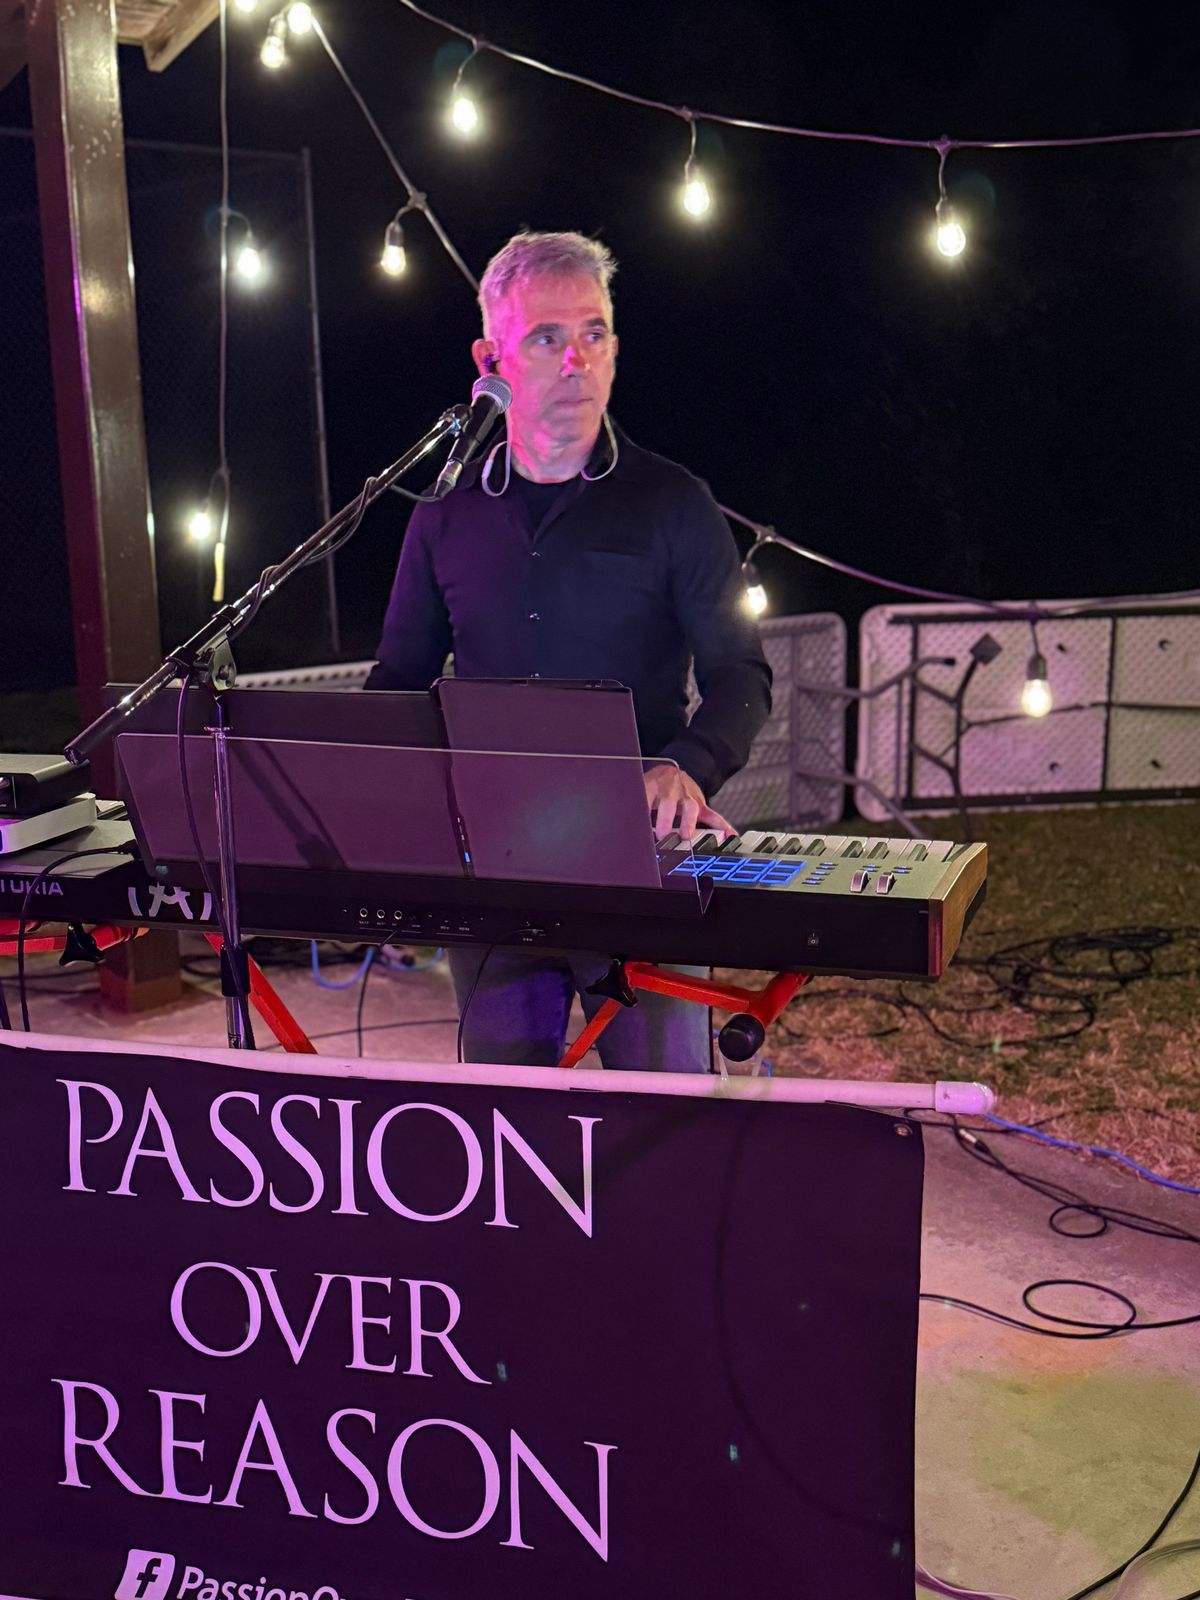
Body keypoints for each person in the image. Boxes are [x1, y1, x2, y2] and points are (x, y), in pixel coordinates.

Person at [365, 230, 771, 1071]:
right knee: (506, 1118)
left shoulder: (675, 504)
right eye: (548, 338)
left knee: (664, 1112)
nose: (578, 359)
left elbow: (741, 672)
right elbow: (400, 677)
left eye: (594, 333)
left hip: (640, 860)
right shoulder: (444, 512)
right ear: (491, 360)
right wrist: (355, 788)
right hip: (492, 867)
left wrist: (687, 766)